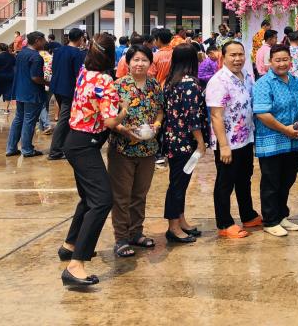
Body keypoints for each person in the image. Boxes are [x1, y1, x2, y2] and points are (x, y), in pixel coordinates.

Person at [59, 33, 131, 287]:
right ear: (112, 57)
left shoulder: (84, 72)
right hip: (85, 146)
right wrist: (124, 109)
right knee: (102, 201)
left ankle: (69, 245)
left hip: (73, 141)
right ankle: (76, 264)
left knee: (88, 199)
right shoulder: (105, 80)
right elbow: (111, 121)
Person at [108, 44, 164, 257]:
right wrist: (124, 130)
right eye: (136, 60)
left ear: (150, 63)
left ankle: (136, 233)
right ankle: (121, 238)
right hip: (123, 148)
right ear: (128, 62)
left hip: (148, 149)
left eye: (144, 60)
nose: (140, 64)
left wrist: (156, 126)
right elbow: (110, 119)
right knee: (122, 196)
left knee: (140, 194)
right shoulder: (117, 86)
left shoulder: (154, 85)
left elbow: (159, 111)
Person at [205, 40, 261, 239]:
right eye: (233, 55)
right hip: (227, 142)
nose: (238, 59)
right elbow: (216, 116)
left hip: (246, 139)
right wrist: (224, 146)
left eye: (240, 54)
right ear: (223, 56)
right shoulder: (218, 81)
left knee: (244, 179)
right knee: (225, 183)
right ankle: (224, 223)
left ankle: (248, 215)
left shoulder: (246, 75)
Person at [253, 44, 298, 237]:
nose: (282, 63)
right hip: (272, 140)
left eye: (285, 59)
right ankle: (270, 219)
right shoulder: (263, 84)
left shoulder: (296, 81)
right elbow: (262, 113)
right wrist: (285, 130)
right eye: (277, 60)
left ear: (291, 60)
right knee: (271, 181)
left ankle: (282, 215)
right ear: (270, 62)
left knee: (288, 179)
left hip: (292, 140)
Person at [162, 44, 207, 244]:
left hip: (172, 139)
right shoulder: (190, 84)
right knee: (178, 185)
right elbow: (193, 117)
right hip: (184, 142)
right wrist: (201, 142)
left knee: (180, 182)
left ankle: (181, 220)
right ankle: (173, 226)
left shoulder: (171, 81)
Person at [6, 31, 47, 157]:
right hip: (32, 93)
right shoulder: (36, 57)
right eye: (43, 40)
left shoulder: (21, 53)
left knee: (19, 119)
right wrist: (48, 82)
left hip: (20, 91)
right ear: (37, 41)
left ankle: (11, 148)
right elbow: (35, 78)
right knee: (29, 120)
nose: (45, 42)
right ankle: (27, 149)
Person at [48, 29, 87, 159]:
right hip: (68, 89)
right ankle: (55, 151)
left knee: (66, 118)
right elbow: (79, 74)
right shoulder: (77, 53)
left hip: (56, 86)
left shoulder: (58, 50)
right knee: (64, 120)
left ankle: (63, 146)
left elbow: (53, 68)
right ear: (80, 38)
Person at [0, 43, 15, 114]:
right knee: (8, 91)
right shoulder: (11, 56)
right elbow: (14, 65)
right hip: (10, 76)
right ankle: (6, 109)